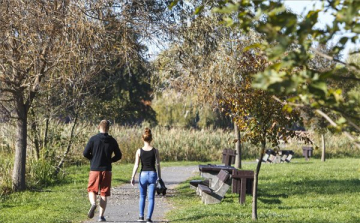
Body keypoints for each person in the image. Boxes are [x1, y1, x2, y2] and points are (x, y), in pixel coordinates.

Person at [83, 120, 122, 222]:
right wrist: (111, 160)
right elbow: (119, 155)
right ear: (108, 128)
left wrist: (92, 158)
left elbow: (85, 153)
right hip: (107, 170)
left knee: (92, 190)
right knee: (104, 193)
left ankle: (93, 204)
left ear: (98, 127)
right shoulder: (112, 141)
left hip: (95, 169)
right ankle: (101, 216)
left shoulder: (93, 139)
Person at [131, 128, 161, 223]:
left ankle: (141, 217)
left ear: (142, 139)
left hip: (143, 174)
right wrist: (159, 177)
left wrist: (133, 176)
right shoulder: (155, 151)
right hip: (152, 174)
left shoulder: (139, 151)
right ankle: (149, 218)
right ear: (151, 139)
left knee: (142, 196)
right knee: (151, 197)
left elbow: (136, 165)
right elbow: (158, 164)